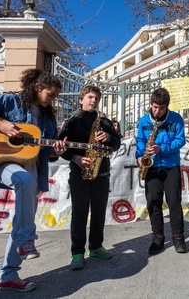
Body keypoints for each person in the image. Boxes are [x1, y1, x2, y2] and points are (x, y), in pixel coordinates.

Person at [0, 69, 67, 292]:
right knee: (23, 183)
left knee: (22, 221)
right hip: (1, 164)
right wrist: (1, 125)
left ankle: (8, 275)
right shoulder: (10, 101)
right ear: (38, 88)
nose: (53, 100)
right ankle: (27, 240)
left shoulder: (48, 118)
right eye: (50, 94)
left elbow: (46, 152)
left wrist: (56, 150)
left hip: (32, 172)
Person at [59, 86, 120, 270]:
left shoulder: (105, 122)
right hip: (79, 174)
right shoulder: (72, 122)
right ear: (81, 100)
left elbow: (117, 143)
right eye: (90, 97)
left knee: (99, 212)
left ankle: (95, 246)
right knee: (80, 213)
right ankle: (77, 252)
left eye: (96, 98)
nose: (94, 101)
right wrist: (75, 158)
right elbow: (60, 146)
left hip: (101, 173)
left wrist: (108, 136)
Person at [135, 88, 187, 255]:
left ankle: (178, 236)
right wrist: (139, 156)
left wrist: (161, 148)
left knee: (174, 202)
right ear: (151, 104)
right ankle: (158, 237)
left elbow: (180, 141)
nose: (157, 111)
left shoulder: (176, 119)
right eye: (155, 107)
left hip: (170, 166)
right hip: (151, 167)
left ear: (167, 107)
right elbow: (141, 141)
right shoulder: (144, 121)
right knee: (153, 202)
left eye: (161, 108)